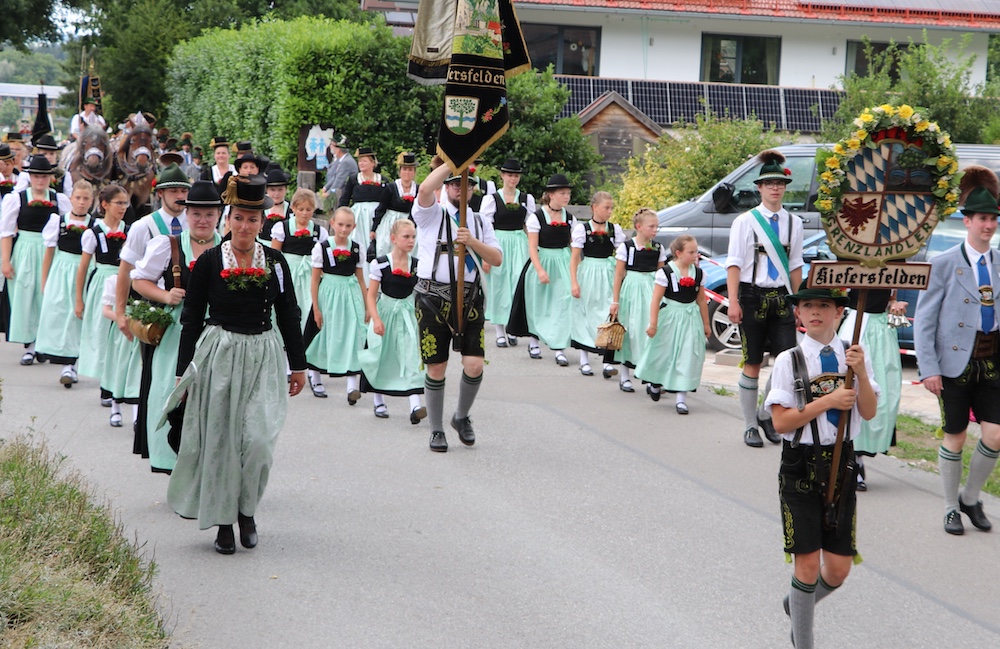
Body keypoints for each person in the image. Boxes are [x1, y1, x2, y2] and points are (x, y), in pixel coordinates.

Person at [167, 173, 307, 555]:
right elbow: (191, 319)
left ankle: (247, 510)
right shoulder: (209, 262)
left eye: (253, 219)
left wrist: (298, 364)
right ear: (228, 219)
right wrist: (183, 373)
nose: (245, 226)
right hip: (220, 355)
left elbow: (289, 313)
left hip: (263, 355)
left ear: (263, 223)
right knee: (222, 443)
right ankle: (224, 522)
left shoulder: (276, 262)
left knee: (258, 441)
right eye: (239, 218)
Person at [765, 280, 877, 649]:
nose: (815, 312)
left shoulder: (853, 354)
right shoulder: (790, 360)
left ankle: (798, 604)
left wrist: (861, 374)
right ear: (797, 313)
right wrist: (827, 402)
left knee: (839, 568)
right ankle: (804, 641)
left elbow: (869, 412)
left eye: (824, 306)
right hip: (801, 464)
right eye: (808, 306)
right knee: (808, 566)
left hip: (842, 463)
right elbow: (781, 422)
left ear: (839, 312)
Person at [914, 165, 1000, 535]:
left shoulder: (999, 262)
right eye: (982, 219)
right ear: (967, 221)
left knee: (995, 436)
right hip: (953, 364)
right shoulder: (943, 263)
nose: (988, 226)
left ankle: (970, 497)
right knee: (956, 435)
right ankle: (951, 507)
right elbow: (924, 320)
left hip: (991, 361)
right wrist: (928, 368)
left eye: (993, 219)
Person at [131, 180, 223, 474]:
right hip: (177, 333)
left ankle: (209, 464)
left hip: (217, 333)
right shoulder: (169, 245)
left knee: (214, 396)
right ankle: (171, 461)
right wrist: (165, 295)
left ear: (219, 215)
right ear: (187, 214)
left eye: (209, 214)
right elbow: (139, 280)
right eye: (196, 214)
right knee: (169, 392)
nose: (202, 220)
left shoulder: (228, 247)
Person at [412, 160, 502, 452]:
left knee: (474, 365)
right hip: (432, 297)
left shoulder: (480, 221)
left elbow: (497, 258)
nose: (461, 189)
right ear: (446, 187)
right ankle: (436, 429)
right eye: (454, 184)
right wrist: (454, 160)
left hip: (470, 297)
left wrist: (472, 242)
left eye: (466, 185)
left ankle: (461, 416)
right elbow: (425, 189)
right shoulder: (431, 213)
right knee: (436, 366)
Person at [725, 149, 804, 448]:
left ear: (785, 187)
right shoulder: (745, 221)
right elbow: (734, 263)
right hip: (751, 295)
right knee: (753, 362)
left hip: (783, 297)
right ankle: (750, 425)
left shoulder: (794, 223)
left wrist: (798, 302)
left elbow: (795, 265)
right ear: (759, 187)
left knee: (787, 363)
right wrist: (733, 301)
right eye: (769, 183)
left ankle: (764, 413)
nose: (775, 188)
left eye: (779, 183)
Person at [114, 163, 190, 458]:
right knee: (149, 368)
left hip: (185, 306)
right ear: (160, 194)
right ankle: (144, 424)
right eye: (173, 191)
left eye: (183, 190)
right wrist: (120, 312)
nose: (179, 196)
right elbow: (126, 270)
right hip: (150, 305)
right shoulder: (144, 226)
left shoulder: (194, 223)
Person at [0, 156, 72, 364]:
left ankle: (43, 342)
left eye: (44, 176)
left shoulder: (58, 199)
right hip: (24, 250)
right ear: (30, 177)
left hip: (50, 251)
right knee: (25, 296)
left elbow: (69, 223)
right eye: (36, 176)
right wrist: (6, 261)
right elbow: (6, 232)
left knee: (47, 296)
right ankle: (30, 344)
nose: (40, 180)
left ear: (50, 178)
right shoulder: (18, 198)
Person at [839, 288, 906, 490]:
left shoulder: (894, 268)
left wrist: (893, 304)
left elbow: (891, 295)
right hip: (856, 324)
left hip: (881, 329)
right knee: (852, 387)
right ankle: (852, 458)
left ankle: (858, 456)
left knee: (885, 392)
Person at [635, 234, 711, 412]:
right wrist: (653, 324)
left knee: (687, 355)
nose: (695, 255)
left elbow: (701, 300)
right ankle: (655, 382)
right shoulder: (666, 273)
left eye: (696, 252)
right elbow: (656, 299)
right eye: (691, 252)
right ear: (679, 253)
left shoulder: (699, 274)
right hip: (669, 317)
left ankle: (681, 398)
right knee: (663, 352)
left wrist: (706, 324)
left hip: (690, 318)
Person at [506, 173, 577, 365]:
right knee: (538, 304)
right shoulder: (536, 218)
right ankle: (534, 341)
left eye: (568, 193)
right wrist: (539, 270)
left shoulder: (570, 218)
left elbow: (574, 247)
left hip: (563, 262)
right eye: (562, 193)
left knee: (563, 303)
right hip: (543, 260)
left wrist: (575, 270)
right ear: (551, 195)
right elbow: (532, 247)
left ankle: (559, 347)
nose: (566, 197)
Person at [359, 219, 425, 422]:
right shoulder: (381, 263)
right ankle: (378, 400)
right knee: (383, 354)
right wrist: (376, 318)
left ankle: (415, 405)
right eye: (406, 237)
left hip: (407, 314)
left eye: (413, 237)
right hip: (386, 312)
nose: (411, 241)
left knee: (411, 354)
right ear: (394, 239)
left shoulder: (417, 264)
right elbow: (371, 295)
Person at [35, 180, 96, 386]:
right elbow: (49, 253)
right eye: (78, 198)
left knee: (78, 317)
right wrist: (45, 282)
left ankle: (73, 364)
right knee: (60, 314)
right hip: (62, 271)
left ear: (92, 201)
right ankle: (62, 360)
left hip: (84, 271)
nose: (81, 202)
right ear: (71, 199)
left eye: (85, 198)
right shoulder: (59, 221)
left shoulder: (94, 225)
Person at [302, 206, 366, 401]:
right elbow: (315, 280)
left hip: (350, 294)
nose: (344, 229)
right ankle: (315, 375)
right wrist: (316, 307)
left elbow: (361, 279)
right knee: (323, 334)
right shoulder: (322, 247)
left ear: (354, 226)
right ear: (332, 224)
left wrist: (367, 306)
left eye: (348, 225)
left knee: (352, 335)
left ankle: (352, 386)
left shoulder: (356, 248)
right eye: (340, 224)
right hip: (328, 294)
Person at [75, 184, 130, 407]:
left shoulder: (131, 230)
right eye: (119, 203)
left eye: (125, 203)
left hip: (124, 281)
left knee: (121, 334)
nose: (123, 207)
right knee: (102, 333)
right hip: (101, 283)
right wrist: (79, 299)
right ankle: (105, 385)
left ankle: (117, 383)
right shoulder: (94, 233)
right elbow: (83, 267)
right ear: (105, 205)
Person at [608, 208, 666, 392]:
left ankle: (649, 375)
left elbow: (661, 274)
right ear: (639, 227)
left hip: (651, 288)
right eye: (651, 226)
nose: (655, 230)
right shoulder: (627, 247)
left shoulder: (658, 248)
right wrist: (615, 300)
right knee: (630, 331)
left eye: (657, 227)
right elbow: (618, 275)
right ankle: (625, 376)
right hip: (632, 289)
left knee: (650, 330)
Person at [480, 158, 534, 348]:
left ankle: (512, 327)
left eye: (516, 175)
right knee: (498, 284)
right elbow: (486, 227)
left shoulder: (526, 199)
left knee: (517, 283)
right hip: (499, 242)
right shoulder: (492, 199)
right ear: (502, 176)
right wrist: (486, 255)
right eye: (509, 175)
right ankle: (499, 330)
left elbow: (530, 226)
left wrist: (533, 250)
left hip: (519, 243)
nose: (513, 179)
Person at [569, 190, 624, 378]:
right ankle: (584, 359)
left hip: (608, 273)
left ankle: (607, 361)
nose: (610, 211)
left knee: (608, 314)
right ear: (594, 208)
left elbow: (621, 255)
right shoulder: (582, 229)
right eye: (606, 208)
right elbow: (574, 257)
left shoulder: (614, 229)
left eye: (611, 208)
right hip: (589, 273)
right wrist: (574, 282)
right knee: (586, 313)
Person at [271, 188, 329, 331]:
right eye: (301, 209)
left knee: (308, 304)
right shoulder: (283, 227)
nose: (304, 213)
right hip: (289, 270)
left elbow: (323, 257)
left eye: (308, 209)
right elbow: (274, 254)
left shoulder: (319, 231)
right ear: (293, 208)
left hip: (309, 272)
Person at [100, 274, 142, 428]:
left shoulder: (149, 279)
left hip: (140, 329)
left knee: (138, 370)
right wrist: (122, 318)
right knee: (118, 366)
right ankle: (115, 408)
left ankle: (137, 414)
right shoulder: (114, 280)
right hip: (120, 333)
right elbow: (106, 310)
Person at [338, 146, 386, 271]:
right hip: (359, 217)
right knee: (358, 243)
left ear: (373, 163)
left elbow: (386, 201)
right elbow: (345, 198)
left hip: (376, 217)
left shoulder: (382, 180)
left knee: (376, 245)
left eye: (364, 161)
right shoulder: (354, 179)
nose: (361, 163)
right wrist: (340, 215)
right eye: (359, 161)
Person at [373, 152, 419, 259]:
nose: (407, 172)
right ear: (400, 172)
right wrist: (374, 228)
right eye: (404, 169)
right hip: (391, 222)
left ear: (414, 172)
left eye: (410, 170)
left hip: (412, 222)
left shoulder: (418, 189)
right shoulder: (391, 188)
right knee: (387, 248)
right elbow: (381, 208)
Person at [321, 134, 357, 210]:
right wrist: (325, 188)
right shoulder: (341, 160)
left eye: (332, 145)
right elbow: (335, 177)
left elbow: (339, 182)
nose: (330, 146)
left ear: (338, 148)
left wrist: (328, 193)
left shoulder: (346, 162)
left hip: (343, 197)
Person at [261, 165, 291, 243]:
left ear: (286, 189)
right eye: (272, 190)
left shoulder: (291, 208)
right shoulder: (260, 207)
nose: (276, 194)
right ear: (266, 190)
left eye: (280, 190)